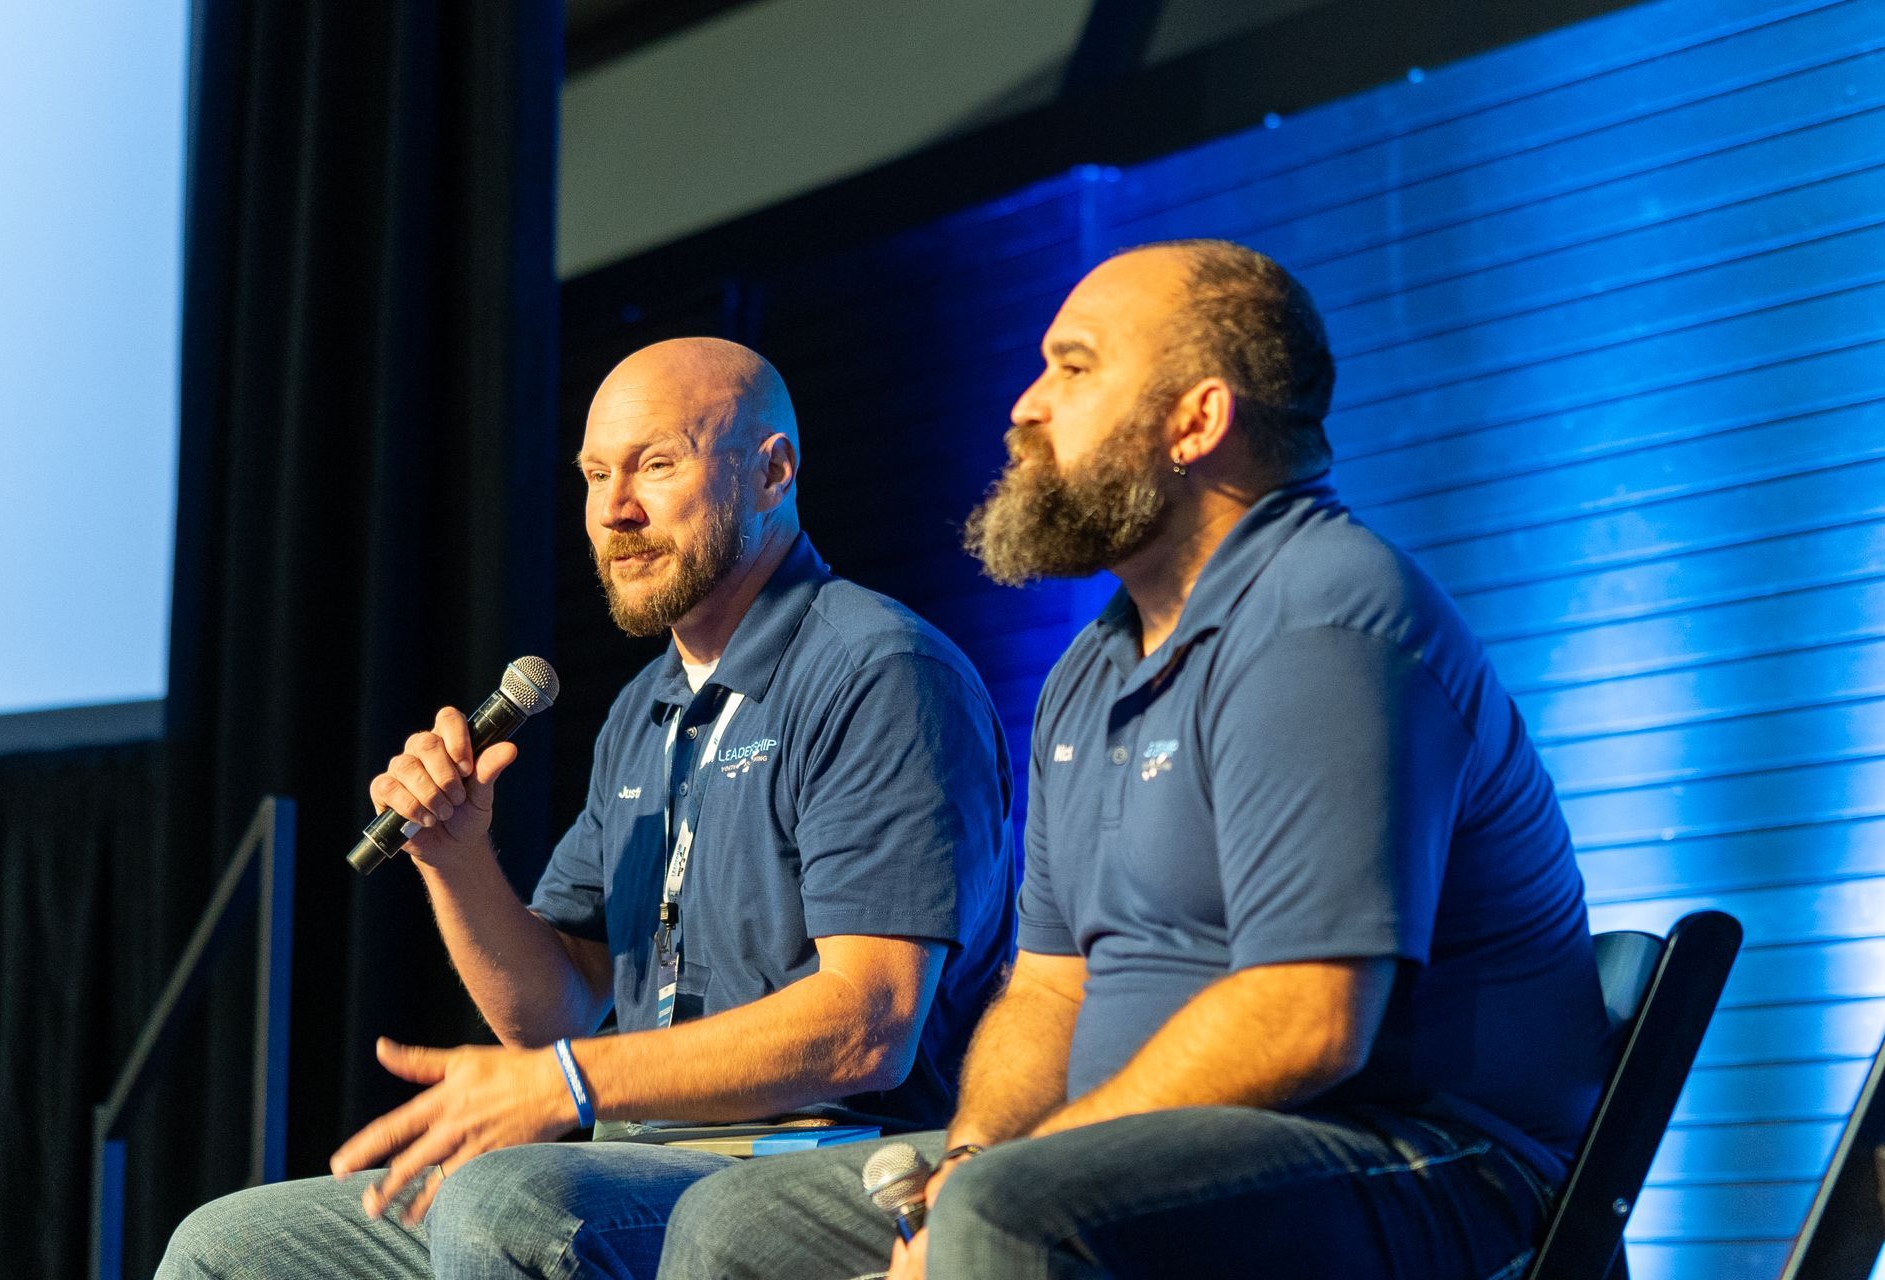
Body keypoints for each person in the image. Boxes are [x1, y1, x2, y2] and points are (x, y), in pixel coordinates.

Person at [655, 241, 1615, 1280]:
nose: (1025, 405)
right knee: (736, 1225)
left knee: (1013, 1217)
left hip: (1424, 1162)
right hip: (1138, 1155)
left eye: (1073, 367)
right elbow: (1050, 990)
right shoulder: (1091, 667)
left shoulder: (1324, 614)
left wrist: (997, 1185)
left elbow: (1306, 1015)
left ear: (1195, 421)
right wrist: (973, 1151)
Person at [157, 337, 1016, 1280]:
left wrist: (572, 1082)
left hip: (829, 1158)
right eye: (596, 474)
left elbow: (870, 1024)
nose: (615, 510)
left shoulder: (878, 671)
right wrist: (456, 857)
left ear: (772, 474)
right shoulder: (646, 710)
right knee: (225, 1250)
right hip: (644, 1156)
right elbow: (556, 1006)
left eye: (656, 464)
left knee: (507, 1199)